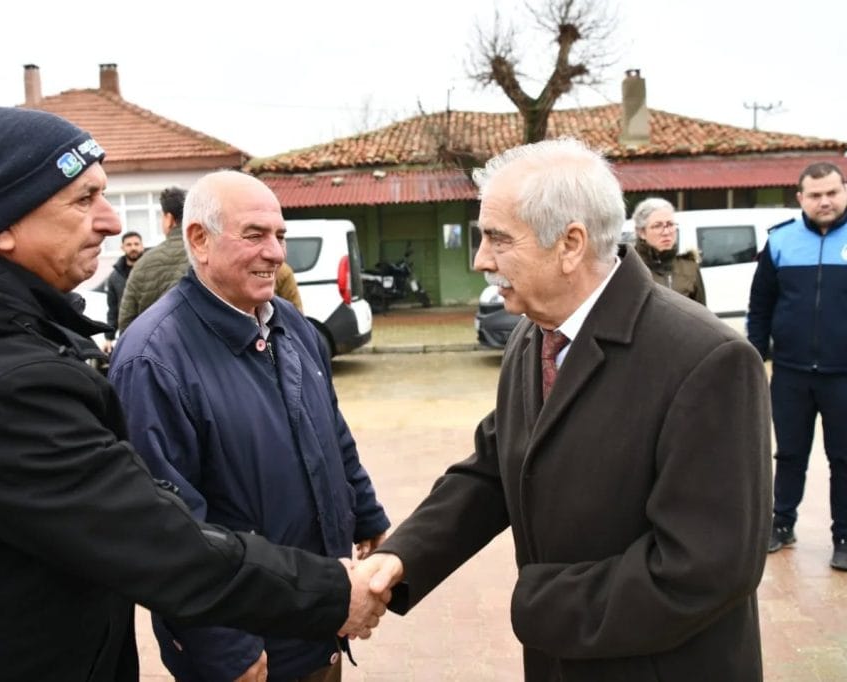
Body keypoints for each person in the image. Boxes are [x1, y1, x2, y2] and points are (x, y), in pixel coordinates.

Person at [0, 107, 389, 682]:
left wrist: (360, 513)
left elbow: (329, 435)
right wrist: (327, 592)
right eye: (83, 198)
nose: (113, 222)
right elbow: (155, 538)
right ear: (2, 223)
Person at [357, 138, 772, 681]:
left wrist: (540, 603)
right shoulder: (533, 335)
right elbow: (494, 468)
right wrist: (403, 556)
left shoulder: (708, 359)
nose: (481, 260)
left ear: (570, 244)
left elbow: (706, 567)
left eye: (498, 239)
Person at [109, 170, 390, 682]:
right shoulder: (153, 359)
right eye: (255, 235)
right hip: (250, 649)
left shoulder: (290, 323)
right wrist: (222, 648)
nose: (276, 253)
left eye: (280, 236)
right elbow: (164, 530)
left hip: (319, 622)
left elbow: (332, 430)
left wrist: (367, 515)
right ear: (199, 240)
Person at [747, 162, 847, 571]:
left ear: (844, 191)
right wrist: (754, 357)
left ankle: (843, 536)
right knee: (788, 454)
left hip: (843, 375)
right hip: (789, 372)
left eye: (832, 192)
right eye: (815, 194)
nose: (825, 201)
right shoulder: (781, 242)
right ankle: (781, 523)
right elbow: (760, 307)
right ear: (800, 198)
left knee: (843, 457)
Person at [117, 186, 188, 333]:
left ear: (168, 219)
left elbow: (126, 322)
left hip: (157, 351)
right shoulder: (212, 257)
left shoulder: (143, 264)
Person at [630, 197, 706, 304]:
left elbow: (702, 315)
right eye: (657, 226)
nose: (666, 232)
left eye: (670, 224)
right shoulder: (629, 267)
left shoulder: (689, 268)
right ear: (641, 232)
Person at [103, 230, 144, 350]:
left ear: (142, 246)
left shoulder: (152, 270)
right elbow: (113, 309)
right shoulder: (114, 277)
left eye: (136, 244)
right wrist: (109, 338)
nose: (133, 248)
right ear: (122, 247)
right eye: (129, 245)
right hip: (127, 332)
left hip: (152, 329)